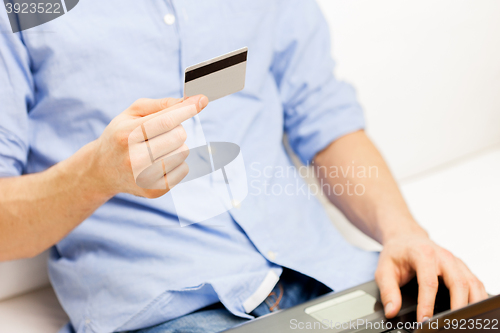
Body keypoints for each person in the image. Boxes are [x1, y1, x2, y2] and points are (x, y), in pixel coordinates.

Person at [0, 1, 487, 332]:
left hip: (331, 275)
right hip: (171, 312)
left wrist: (404, 234)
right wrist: (95, 175)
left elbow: (323, 116)